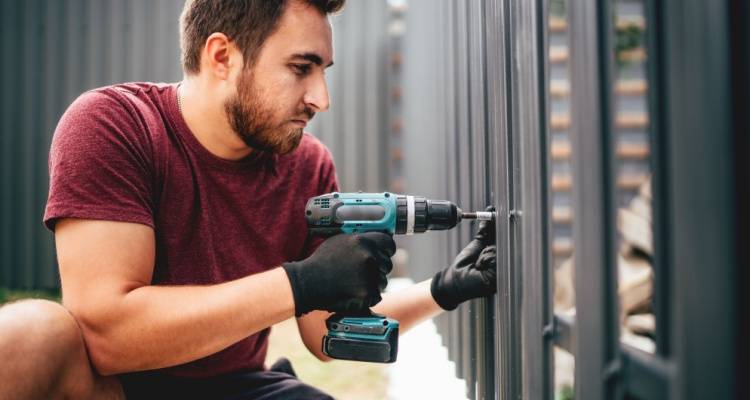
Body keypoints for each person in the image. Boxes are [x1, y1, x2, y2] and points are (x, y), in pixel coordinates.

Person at [0, 0, 497, 398]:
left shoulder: (308, 165)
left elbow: (323, 335)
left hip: (236, 386)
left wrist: (443, 289)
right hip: (114, 388)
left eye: (323, 70)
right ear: (222, 57)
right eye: (301, 68)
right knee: (26, 335)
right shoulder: (116, 126)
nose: (321, 97)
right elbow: (108, 335)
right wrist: (299, 281)